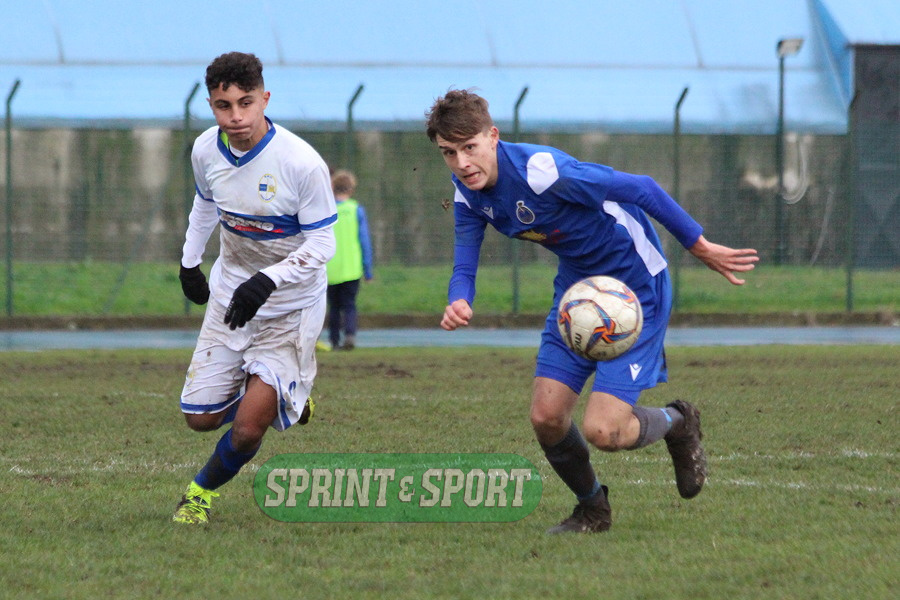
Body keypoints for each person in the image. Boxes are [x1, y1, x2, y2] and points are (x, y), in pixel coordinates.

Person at [425, 89, 758, 534]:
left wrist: (698, 244)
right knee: (546, 417)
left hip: (637, 288)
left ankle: (678, 423)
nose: (462, 163)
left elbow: (642, 188)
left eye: (470, 148)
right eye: (449, 153)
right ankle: (593, 510)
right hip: (580, 293)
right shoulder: (468, 194)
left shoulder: (541, 173)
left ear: (493, 136)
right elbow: (465, 258)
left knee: (605, 431)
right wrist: (459, 298)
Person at [173, 52, 337, 524]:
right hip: (231, 294)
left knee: (247, 430)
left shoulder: (301, 163)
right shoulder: (206, 150)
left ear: (265, 98)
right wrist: (189, 263)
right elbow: (206, 205)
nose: (237, 116)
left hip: (291, 304)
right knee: (199, 419)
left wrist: (269, 279)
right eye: (224, 106)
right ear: (211, 105)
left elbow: (324, 240)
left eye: (246, 103)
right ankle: (284, 397)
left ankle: (198, 496)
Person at [324, 169, 374, 351]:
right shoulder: (356, 210)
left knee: (334, 307)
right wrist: (368, 270)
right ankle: (350, 335)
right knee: (350, 305)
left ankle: (334, 340)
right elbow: (364, 241)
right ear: (351, 189)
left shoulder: (326, 210)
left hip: (329, 268)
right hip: (351, 269)